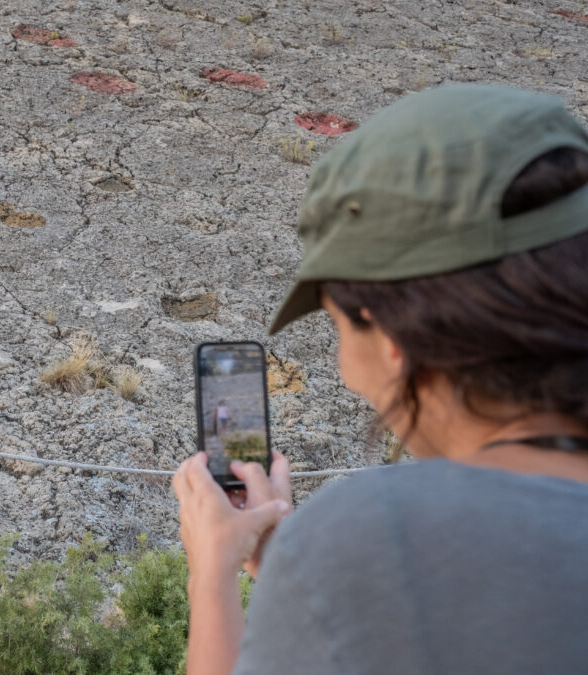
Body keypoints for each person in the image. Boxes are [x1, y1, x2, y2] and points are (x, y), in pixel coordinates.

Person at [173, 83, 588, 674]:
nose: (345, 373)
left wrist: (214, 576)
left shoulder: (375, 538)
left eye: (339, 326)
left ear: (394, 336)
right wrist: (297, 578)